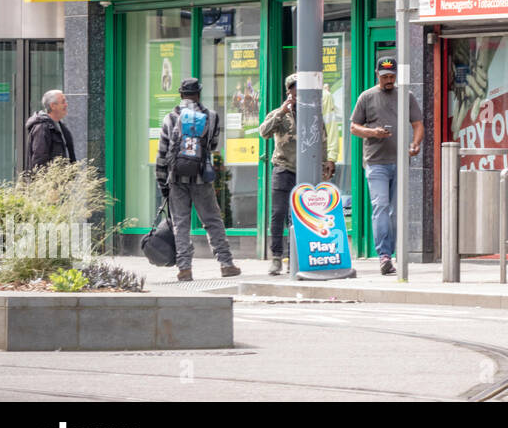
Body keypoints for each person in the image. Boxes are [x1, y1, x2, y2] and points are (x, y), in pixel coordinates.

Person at [156, 77, 240, 282]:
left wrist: (162, 183)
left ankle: (184, 268)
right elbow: (212, 146)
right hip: (202, 176)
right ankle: (226, 264)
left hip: (176, 178)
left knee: (181, 224)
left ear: (180, 94)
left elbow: (162, 153)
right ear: (199, 93)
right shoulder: (211, 116)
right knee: (212, 221)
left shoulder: (170, 118)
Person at [350, 57, 423, 275]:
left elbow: (418, 124)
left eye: (391, 77)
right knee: (380, 206)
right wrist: (373, 133)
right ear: (377, 74)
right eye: (385, 77)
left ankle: (391, 252)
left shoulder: (406, 96)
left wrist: (415, 143)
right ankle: (384, 255)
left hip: (400, 160)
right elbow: (354, 127)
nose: (389, 80)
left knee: (396, 210)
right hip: (376, 162)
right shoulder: (367, 97)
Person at [258, 74, 332, 275]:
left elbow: (322, 139)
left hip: (305, 172)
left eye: (300, 88)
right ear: (288, 91)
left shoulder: (312, 114)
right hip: (283, 169)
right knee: (278, 214)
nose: (297, 92)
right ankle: (276, 257)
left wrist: (325, 162)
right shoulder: (279, 113)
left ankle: (294, 258)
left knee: (298, 217)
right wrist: (282, 112)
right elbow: (263, 132)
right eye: (293, 88)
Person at [25, 89, 76, 171]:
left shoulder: (61, 127)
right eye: (63, 102)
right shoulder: (42, 127)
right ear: (53, 106)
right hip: (50, 182)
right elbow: (39, 161)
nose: (66, 105)